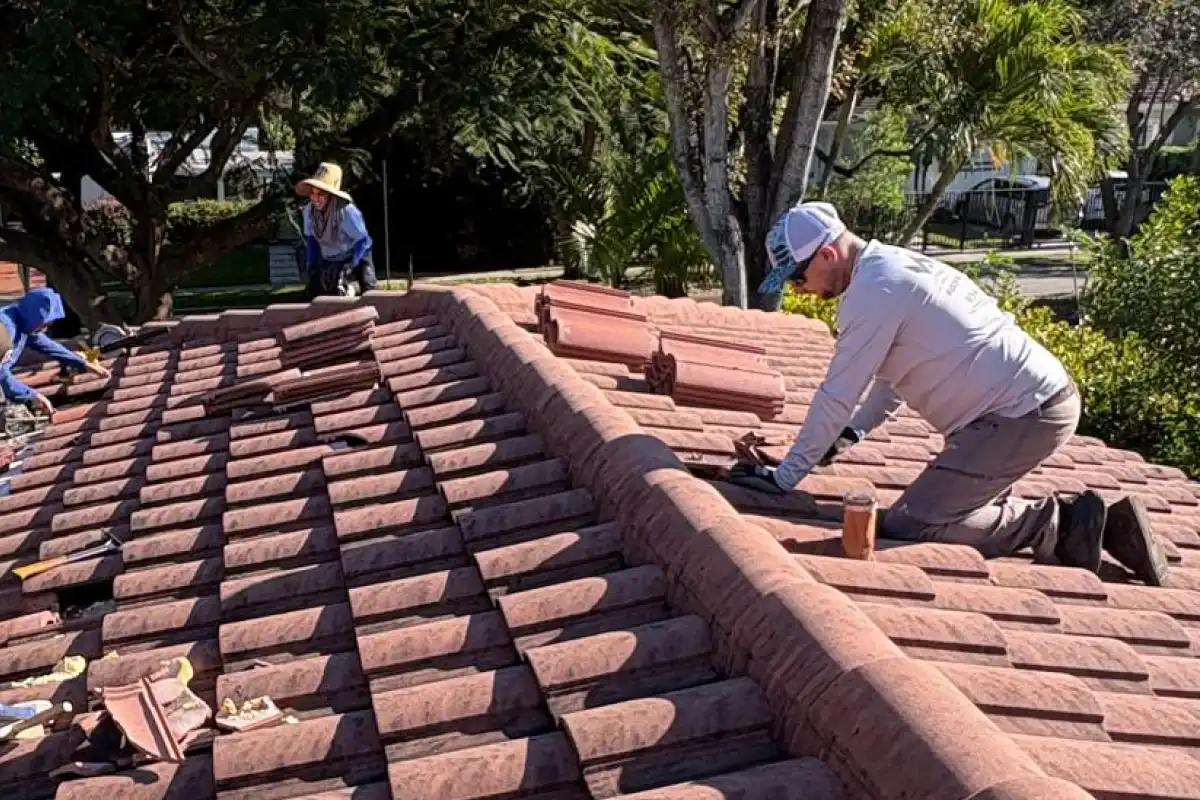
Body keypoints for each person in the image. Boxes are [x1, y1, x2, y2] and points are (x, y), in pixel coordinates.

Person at [729, 201, 1168, 586]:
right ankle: (1080, 522)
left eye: (798, 276)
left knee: (915, 525)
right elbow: (890, 380)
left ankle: (1066, 523)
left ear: (827, 253)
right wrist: (849, 435)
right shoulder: (891, 269)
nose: (798, 289)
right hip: (1026, 407)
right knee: (935, 510)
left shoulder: (875, 290)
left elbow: (836, 394)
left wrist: (784, 478)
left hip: (1021, 414)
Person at [0, 288, 110, 418]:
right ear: (35, 317)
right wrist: (32, 395)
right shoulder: (7, 331)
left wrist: (82, 363)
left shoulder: (23, 321)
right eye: (44, 324)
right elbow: (1, 374)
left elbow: (48, 345)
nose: (46, 328)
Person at [296, 162, 378, 298]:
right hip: (330, 256)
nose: (315, 198)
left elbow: (363, 240)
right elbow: (312, 239)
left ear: (330, 194)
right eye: (312, 193)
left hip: (357, 252)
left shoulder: (346, 211)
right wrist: (312, 264)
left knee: (368, 287)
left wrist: (352, 264)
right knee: (323, 291)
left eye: (320, 194)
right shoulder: (309, 211)